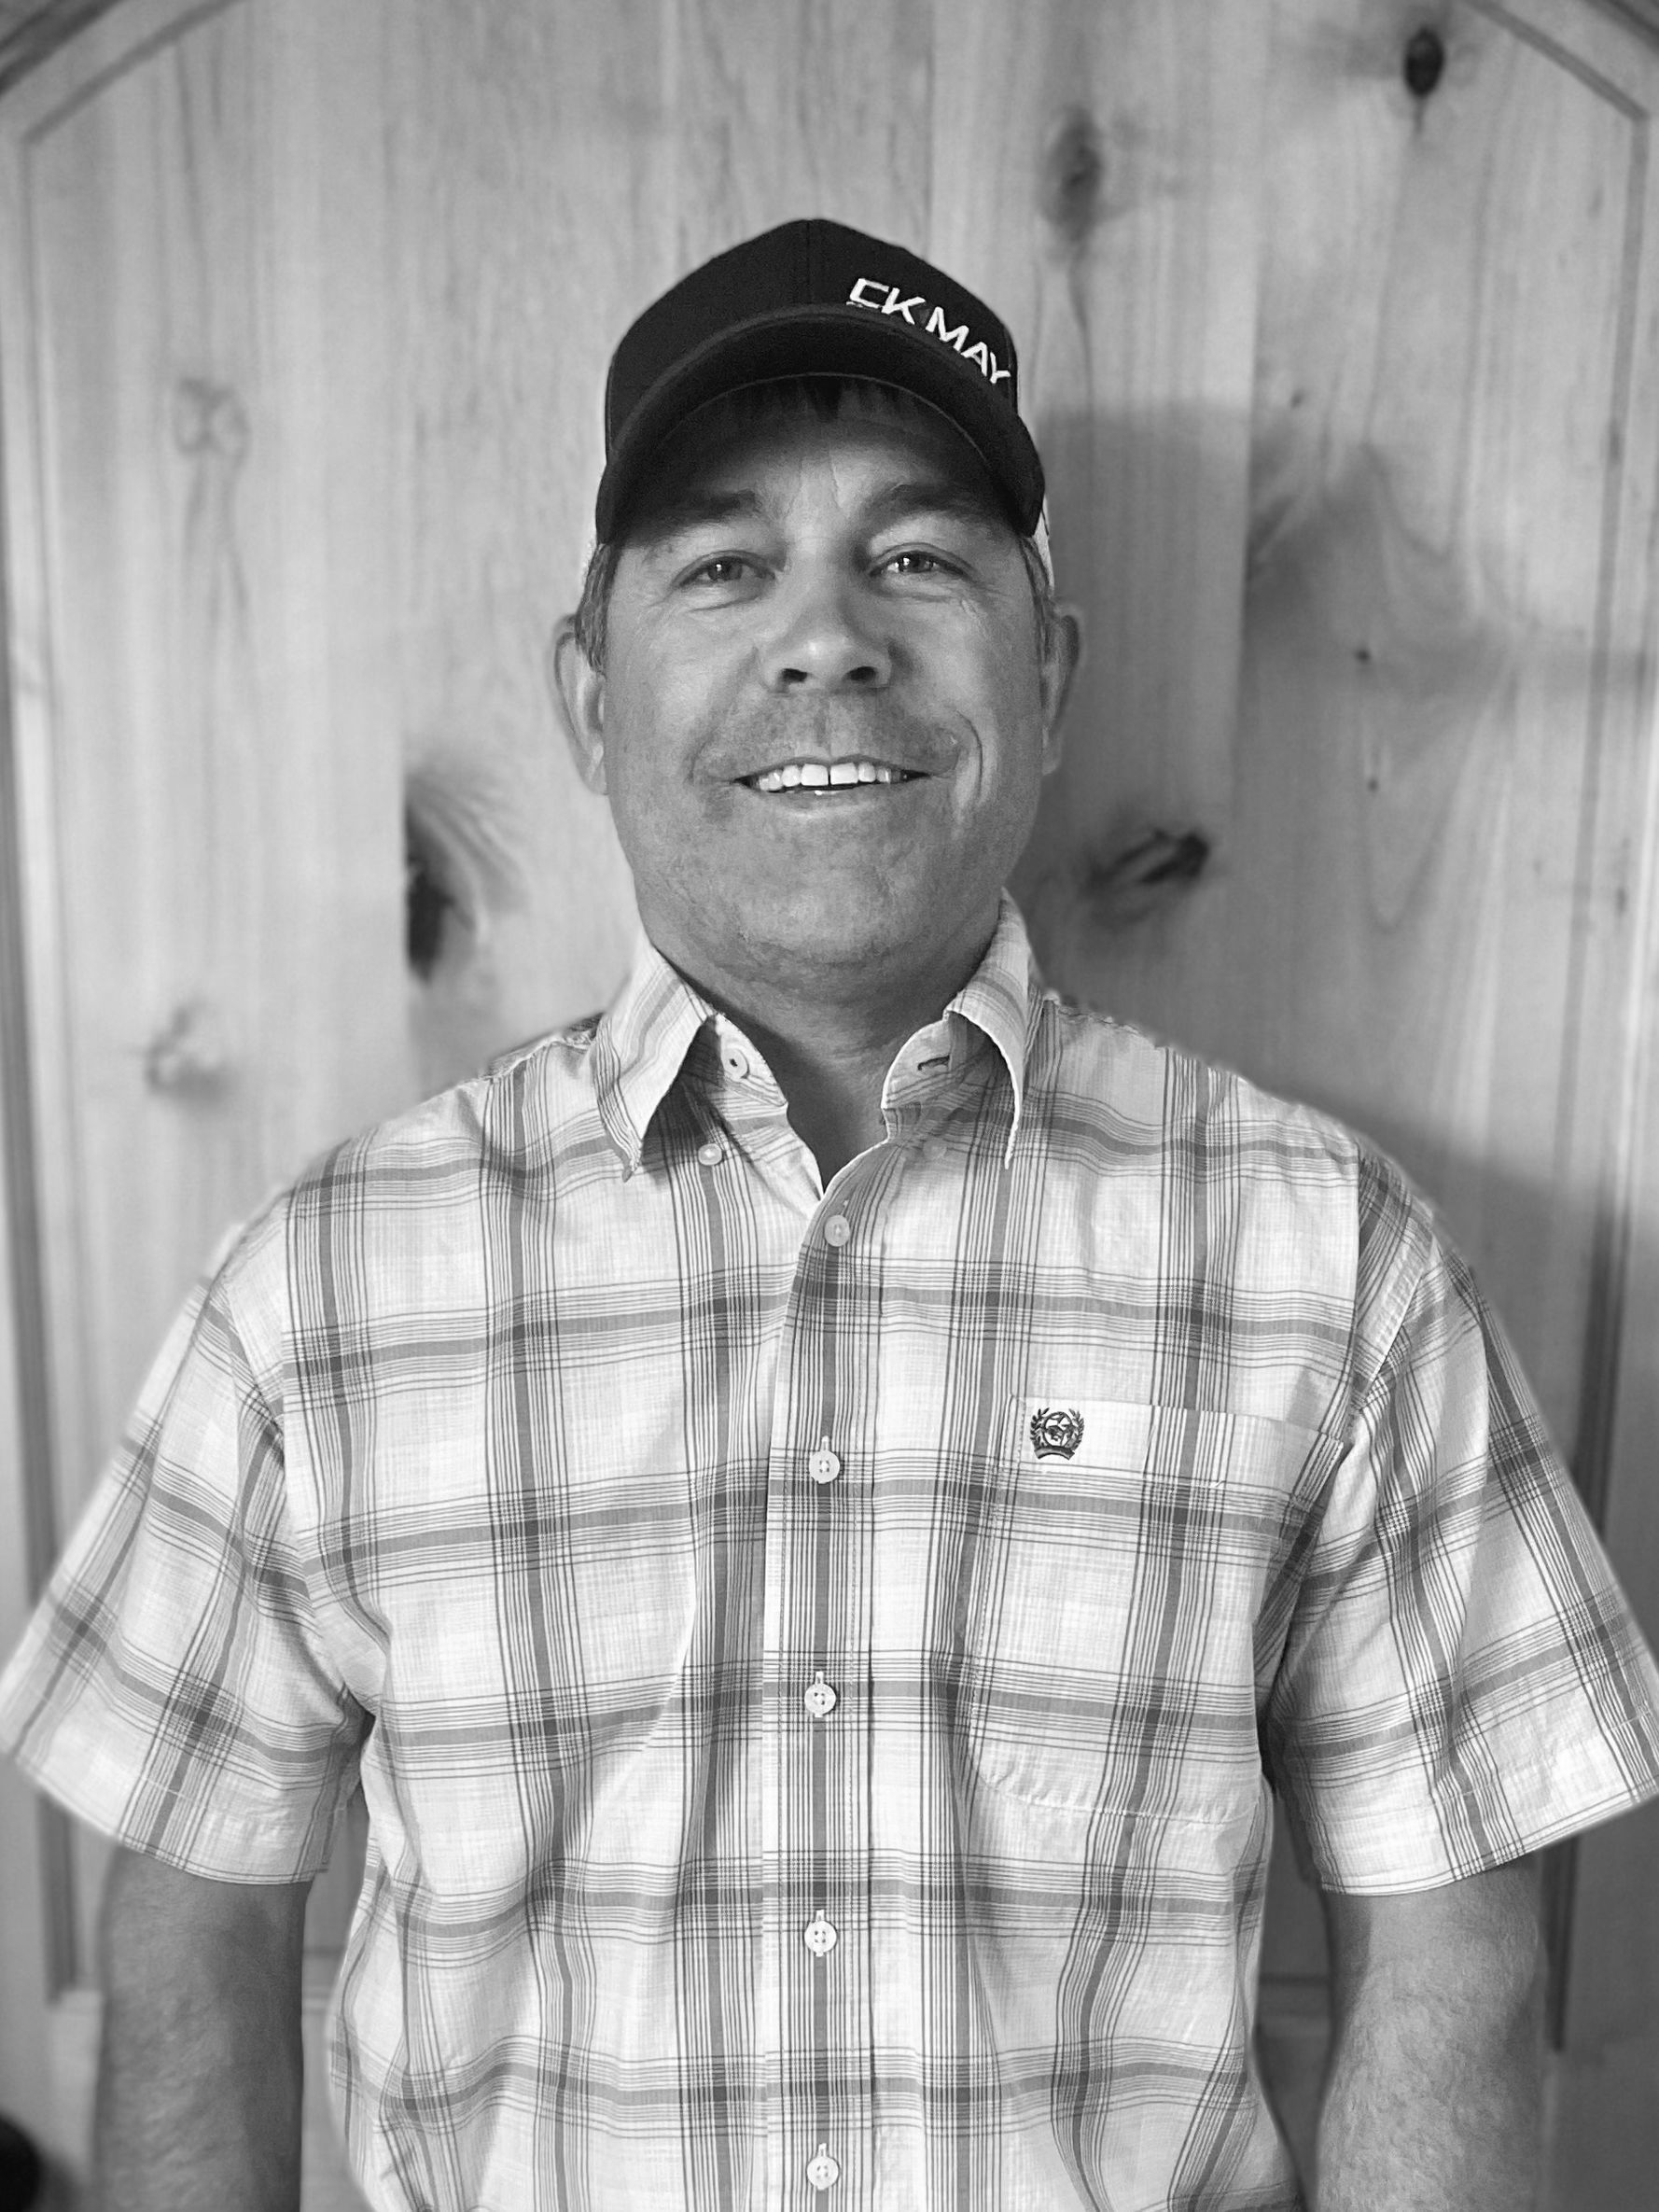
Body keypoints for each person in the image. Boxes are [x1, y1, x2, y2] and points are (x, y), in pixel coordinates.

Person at [4, 217, 1658, 2212]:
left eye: (915, 558)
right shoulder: (323, 1292)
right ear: (591, 694)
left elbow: (1454, 1979)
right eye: (721, 564)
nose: (827, 642)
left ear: (1041, 676)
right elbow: (188, 1952)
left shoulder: (1332, 1266)